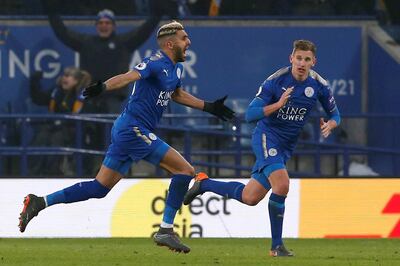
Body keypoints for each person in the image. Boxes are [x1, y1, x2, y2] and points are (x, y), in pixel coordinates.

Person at [18, 21, 235, 253]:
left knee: (98, 188)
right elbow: (128, 76)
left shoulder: (176, 68)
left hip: (130, 130)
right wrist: (103, 87)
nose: (189, 42)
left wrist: (209, 107)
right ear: (170, 44)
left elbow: (177, 93)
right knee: (185, 171)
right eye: (184, 38)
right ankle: (166, 230)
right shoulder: (154, 62)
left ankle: (40, 201)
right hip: (132, 128)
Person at [183, 40, 341, 257]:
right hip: (267, 137)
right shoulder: (276, 81)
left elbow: (335, 114)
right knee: (282, 184)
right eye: (298, 58)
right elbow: (249, 115)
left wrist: (331, 124)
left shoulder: (319, 85)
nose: (302, 63)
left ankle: (204, 184)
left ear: (314, 61)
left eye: (307, 59)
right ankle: (276, 247)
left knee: (250, 197)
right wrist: (278, 104)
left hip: (286, 146)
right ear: (291, 59)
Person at [41, 0, 173, 113]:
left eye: (107, 23)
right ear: (96, 26)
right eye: (100, 23)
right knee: (88, 133)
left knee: (111, 134)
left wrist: (156, 15)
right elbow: (63, 33)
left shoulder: (123, 43)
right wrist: (52, 14)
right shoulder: (86, 43)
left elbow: (143, 31)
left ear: (114, 26)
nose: (104, 26)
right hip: (89, 96)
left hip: (113, 97)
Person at [29, 67, 91, 175]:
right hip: (53, 126)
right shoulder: (56, 91)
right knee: (41, 136)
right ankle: (35, 172)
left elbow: (84, 116)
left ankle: (52, 172)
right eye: (64, 75)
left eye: (68, 76)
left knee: (57, 138)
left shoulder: (82, 94)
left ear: (76, 81)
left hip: (72, 129)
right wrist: (34, 82)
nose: (64, 78)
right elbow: (38, 99)